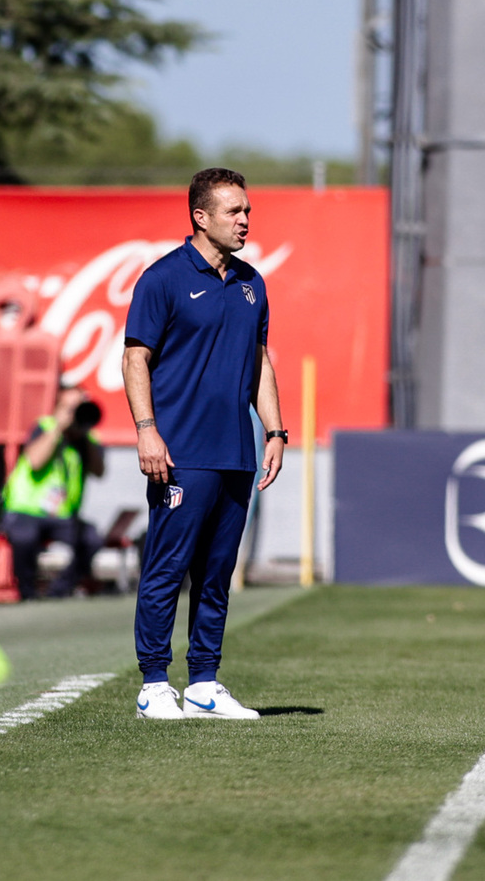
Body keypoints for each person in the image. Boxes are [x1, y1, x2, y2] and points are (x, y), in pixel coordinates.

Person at [122, 167, 285, 721]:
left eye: (247, 210)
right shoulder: (163, 279)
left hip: (236, 452)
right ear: (201, 216)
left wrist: (276, 431)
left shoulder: (252, 283)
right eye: (234, 211)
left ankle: (205, 683)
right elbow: (135, 357)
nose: (245, 220)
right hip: (180, 453)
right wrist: (147, 430)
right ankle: (152, 684)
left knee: (217, 574)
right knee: (168, 568)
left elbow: (260, 361)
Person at [1, 385, 105, 600]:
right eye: (70, 408)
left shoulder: (87, 438)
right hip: (26, 510)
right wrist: (58, 428)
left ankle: (59, 590)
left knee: (91, 539)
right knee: (24, 537)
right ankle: (27, 592)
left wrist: (83, 434)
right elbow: (35, 461)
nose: (75, 413)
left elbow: (99, 471)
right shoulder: (44, 426)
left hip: (63, 515)